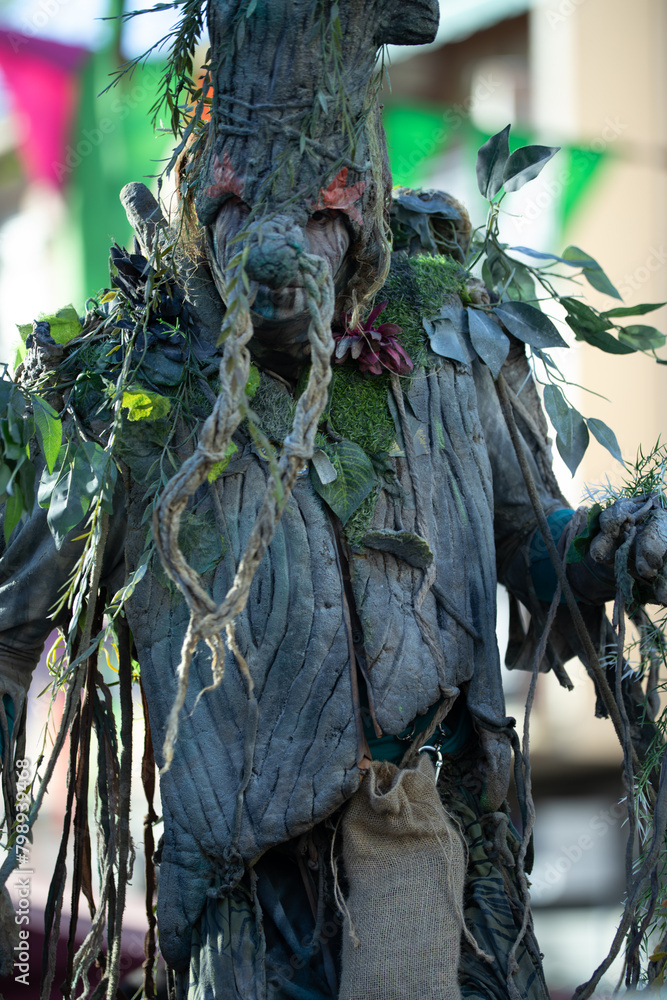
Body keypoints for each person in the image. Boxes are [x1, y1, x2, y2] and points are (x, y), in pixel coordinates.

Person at [1, 2, 666, 998]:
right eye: (247, 206)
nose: (283, 256)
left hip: (453, 860)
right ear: (203, 169)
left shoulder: (457, 331)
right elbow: (11, 634)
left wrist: (624, 544)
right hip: (254, 893)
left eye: (319, 209)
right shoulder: (120, 382)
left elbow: (534, 547)